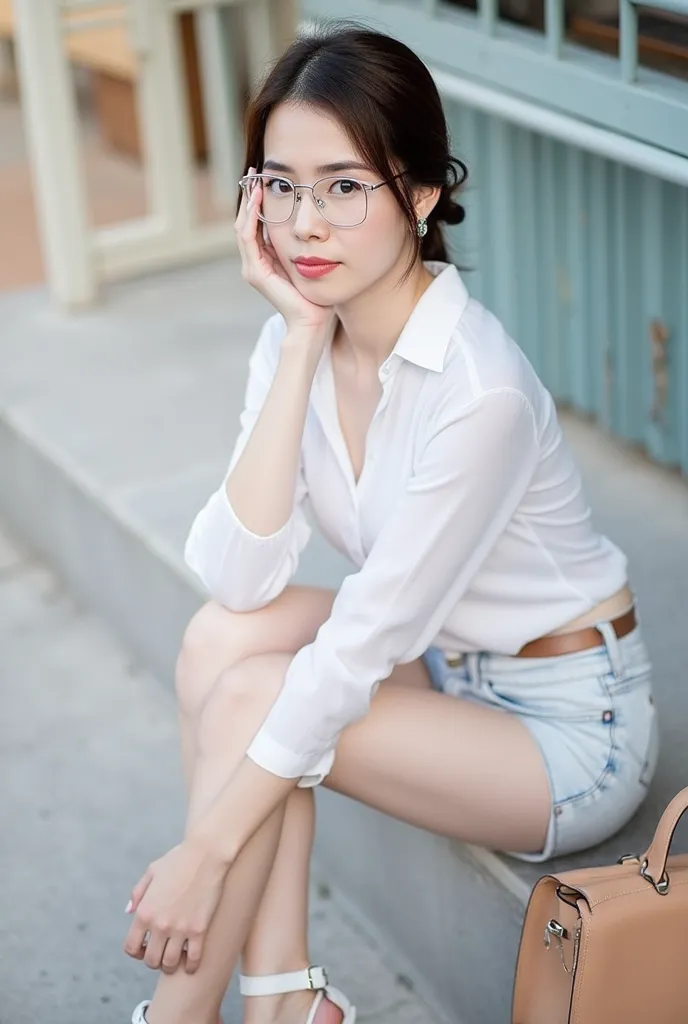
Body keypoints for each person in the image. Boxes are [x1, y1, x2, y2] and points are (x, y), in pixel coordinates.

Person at [122, 20, 659, 1024]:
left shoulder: (477, 389)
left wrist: (205, 851)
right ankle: (283, 995)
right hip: (447, 665)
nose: (304, 223)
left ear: (417, 194)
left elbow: (367, 639)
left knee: (255, 701)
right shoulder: (299, 338)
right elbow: (239, 580)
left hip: (566, 725)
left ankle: (190, 1014)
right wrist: (296, 344)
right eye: (278, 185)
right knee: (221, 641)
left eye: (342, 186)